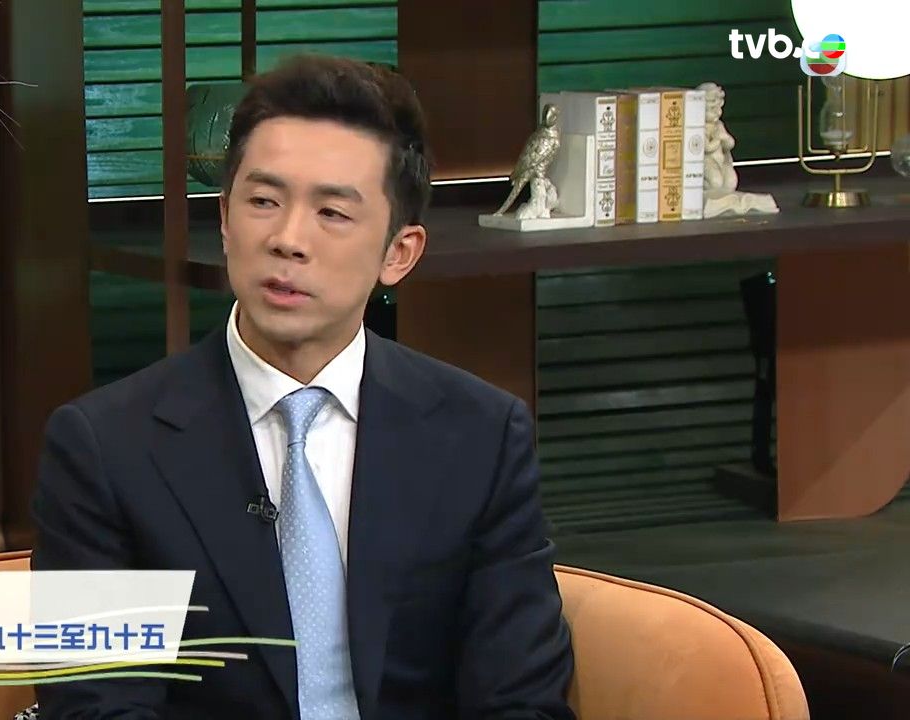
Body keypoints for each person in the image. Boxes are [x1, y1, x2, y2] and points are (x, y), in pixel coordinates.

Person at [30, 53, 575, 720]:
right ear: (225, 219)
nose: (288, 239)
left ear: (398, 253)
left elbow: (520, 698)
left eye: (333, 213)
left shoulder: (481, 435)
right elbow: (96, 707)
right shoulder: (105, 447)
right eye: (263, 202)